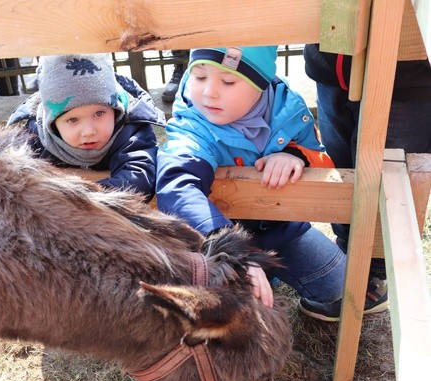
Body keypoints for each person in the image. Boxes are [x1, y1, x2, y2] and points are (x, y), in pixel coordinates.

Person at [156, 45, 378, 317]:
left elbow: (321, 158)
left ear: (261, 84)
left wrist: (295, 155)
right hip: (220, 240)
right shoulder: (193, 129)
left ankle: (280, 277)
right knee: (237, 313)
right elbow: (177, 185)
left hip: (282, 229)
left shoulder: (289, 111)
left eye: (228, 81)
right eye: (199, 77)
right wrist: (228, 247)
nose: (208, 92)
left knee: (339, 284)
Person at [301, 44, 431, 320]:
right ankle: (348, 251)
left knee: (388, 181)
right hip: (332, 66)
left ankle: (377, 274)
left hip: (408, 80)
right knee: (341, 166)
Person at [7, 53, 165, 200]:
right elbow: (12, 181)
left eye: (99, 114)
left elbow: (138, 179)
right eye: (73, 120)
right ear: (52, 122)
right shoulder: (34, 137)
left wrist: (80, 198)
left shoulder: (132, 132)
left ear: (115, 109)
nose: (89, 131)